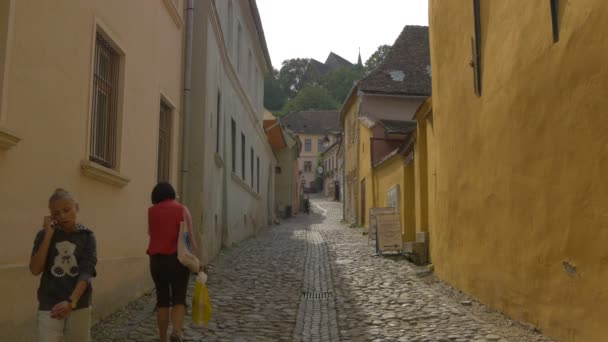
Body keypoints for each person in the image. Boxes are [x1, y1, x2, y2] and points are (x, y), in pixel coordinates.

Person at [30, 188, 98, 342]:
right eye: (56, 213)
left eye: (67, 210)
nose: (62, 216)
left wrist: (70, 302)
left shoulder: (87, 236)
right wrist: (48, 235)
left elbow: (87, 272)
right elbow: (35, 269)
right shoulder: (44, 234)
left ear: (77, 208)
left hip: (78, 304)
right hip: (50, 305)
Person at [147, 182, 198, 342]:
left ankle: (162, 338)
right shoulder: (182, 209)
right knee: (178, 298)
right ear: (172, 193)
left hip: (156, 261)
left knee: (162, 300)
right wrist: (196, 259)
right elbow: (188, 238)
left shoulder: (151, 211)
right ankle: (176, 332)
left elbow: (151, 233)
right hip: (177, 260)